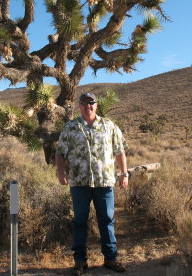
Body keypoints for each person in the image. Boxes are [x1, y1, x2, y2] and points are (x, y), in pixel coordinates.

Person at [55, 92, 129, 275]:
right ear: (79, 106)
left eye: (91, 103)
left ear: (96, 105)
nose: (88, 106)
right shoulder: (70, 127)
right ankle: (80, 262)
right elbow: (60, 153)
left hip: (104, 183)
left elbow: (119, 151)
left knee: (107, 220)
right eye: (84, 103)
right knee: (80, 222)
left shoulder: (109, 126)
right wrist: (60, 172)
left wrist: (124, 173)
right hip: (80, 183)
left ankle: (110, 259)